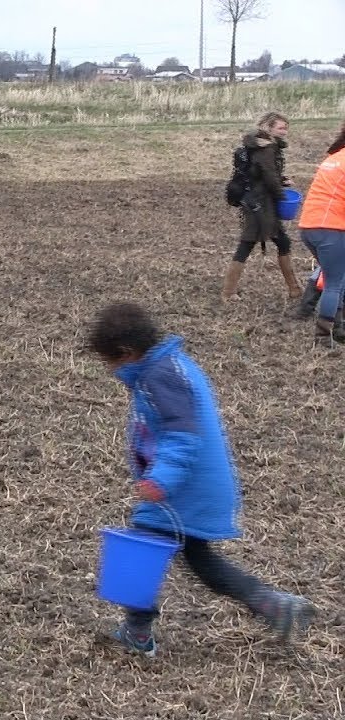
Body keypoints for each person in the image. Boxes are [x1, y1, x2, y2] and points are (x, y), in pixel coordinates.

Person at [85, 303, 315, 657]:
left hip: (181, 490)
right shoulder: (170, 366)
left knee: (140, 549)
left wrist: (159, 480)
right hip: (193, 486)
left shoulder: (160, 376)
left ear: (126, 353)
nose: (111, 371)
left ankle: (137, 633)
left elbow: (182, 437)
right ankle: (272, 604)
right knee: (199, 560)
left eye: (110, 362)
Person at [221, 112, 301, 303]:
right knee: (248, 244)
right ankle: (228, 293)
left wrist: (281, 180)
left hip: (258, 202)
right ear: (268, 127)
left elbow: (261, 173)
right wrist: (282, 196)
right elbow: (269, 177)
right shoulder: (266, 148)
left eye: (286, 128)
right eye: (281, 127)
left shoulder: (259, 145)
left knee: (282, 242)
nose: (284, 131)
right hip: (259, 204)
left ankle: (294, 289)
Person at [298, 121, 345, 345]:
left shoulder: (334, 158)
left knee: (338, 276)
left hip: (310, 226)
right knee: (334, 282)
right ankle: (323, 336)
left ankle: (338, 326)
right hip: (332, 228)